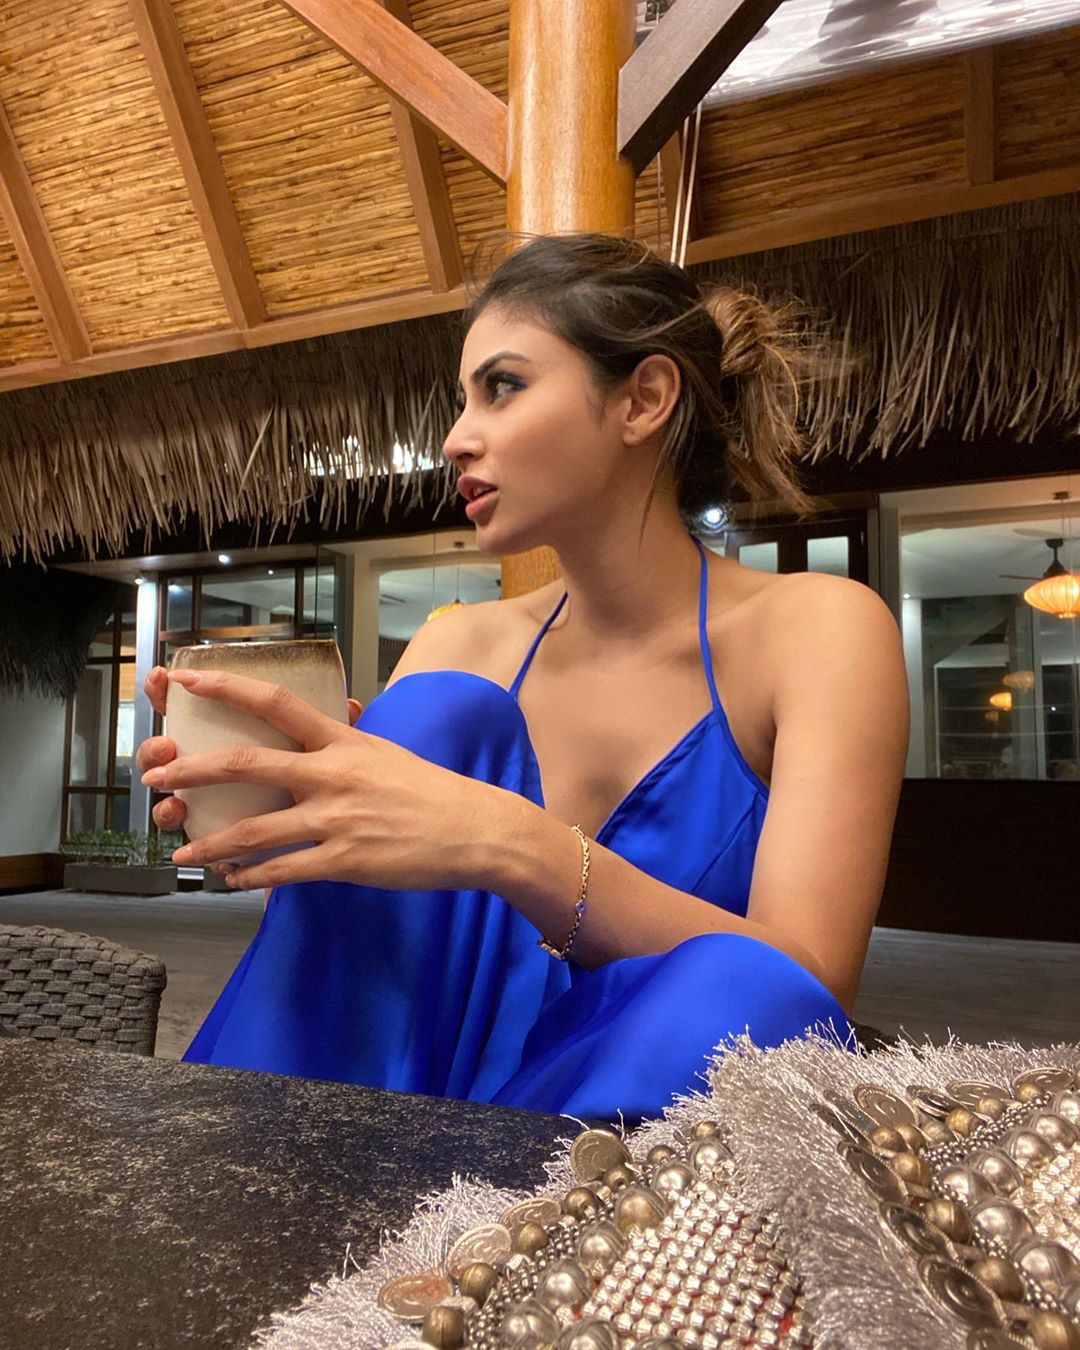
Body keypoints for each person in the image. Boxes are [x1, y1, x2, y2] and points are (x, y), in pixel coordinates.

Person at [136, 234, 909, 1121]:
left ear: (643, 399)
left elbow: (807, 991)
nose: (456, 439)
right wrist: (275, 809)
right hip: (403, 1097)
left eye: (501, 387)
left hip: (621, 1113)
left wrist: (508, 842)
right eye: (463, 400)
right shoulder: (457, 641)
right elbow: (350, 962)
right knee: (438, 715)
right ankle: (267, 1158)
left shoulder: (816, 628)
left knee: (748, 985)